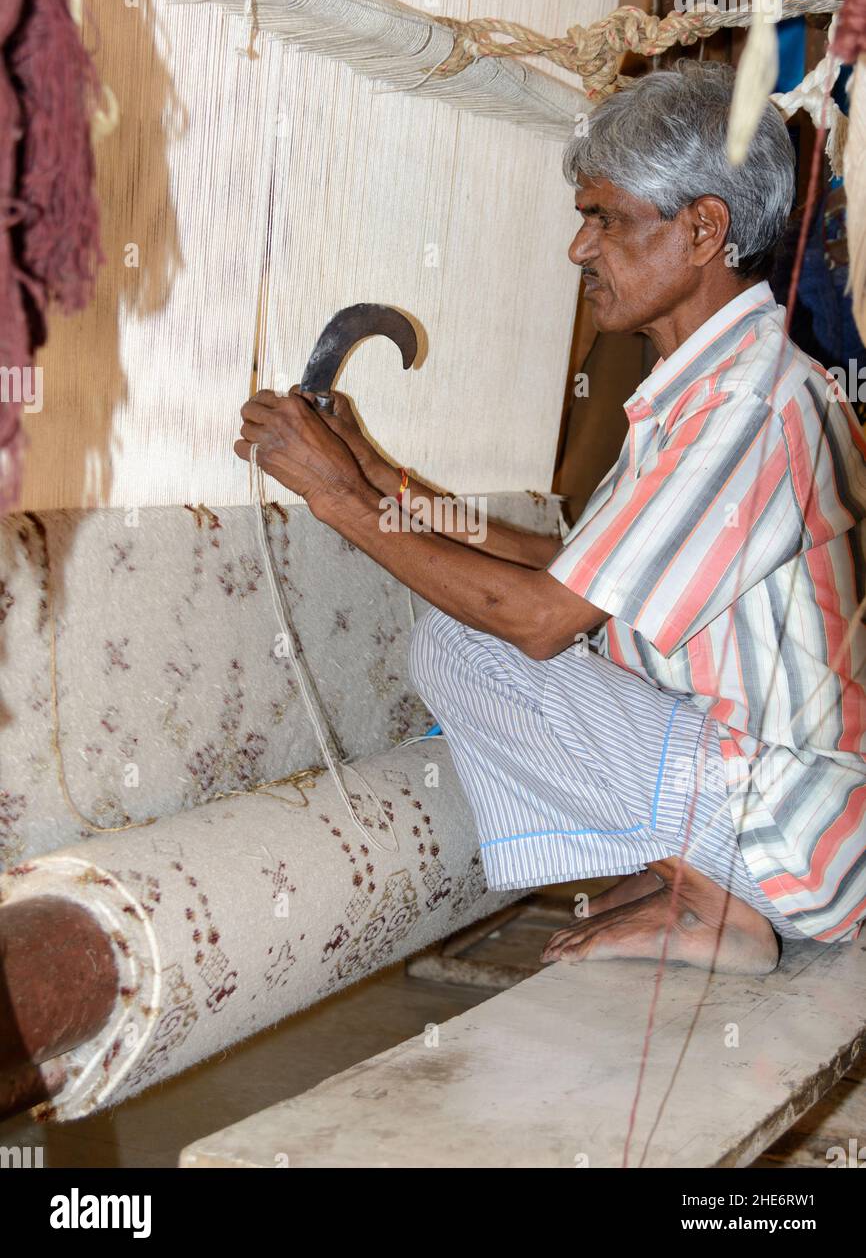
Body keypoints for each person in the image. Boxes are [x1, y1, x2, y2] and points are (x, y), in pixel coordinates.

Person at [235, 61, 866, 974]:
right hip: (786, 814)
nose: (579, 249)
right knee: (488, 633)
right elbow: (575, 562)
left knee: (463, 647)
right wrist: (387, 482)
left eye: (603, 217)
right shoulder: (712, 388)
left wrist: (338, 500)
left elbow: (539, 616)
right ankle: (688, 875)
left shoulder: (751, 405)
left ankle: (711, 904)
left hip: (797, 836)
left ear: (702, 230)